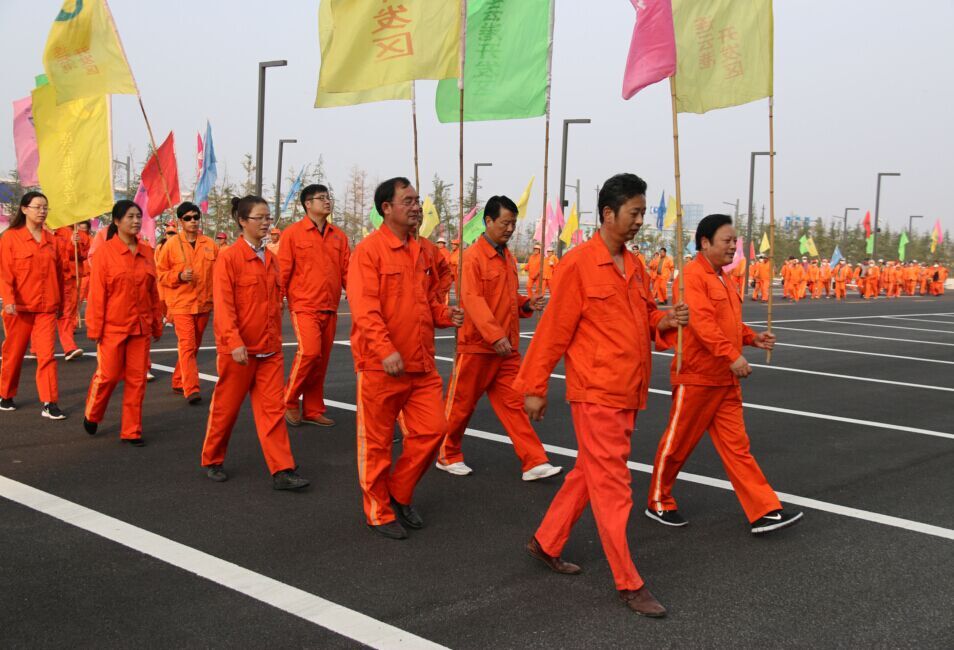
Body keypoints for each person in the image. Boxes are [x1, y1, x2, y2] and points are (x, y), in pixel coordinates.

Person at [514, 173, 688, 618]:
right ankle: (629, 582)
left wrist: (666, 320)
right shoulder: (578, 264)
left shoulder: (635, 265)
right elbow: (553, 330)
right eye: (634, 212)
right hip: (596, 392)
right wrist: (533, 387)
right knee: (613, 486)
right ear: (608, 214)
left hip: (627, 389)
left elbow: (647, 317)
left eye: (643, 212)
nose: (640, 221)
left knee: (588, 472)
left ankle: (547, 540)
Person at [646, 214, 803, 536]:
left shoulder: (724, 278)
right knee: (678, 444)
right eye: (727, 241)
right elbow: (702, 324)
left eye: (735, 241)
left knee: (737, 447)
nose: (733, 246)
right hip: (697, 376)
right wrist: (732, 356)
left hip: (724, 380)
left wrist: (752, 338)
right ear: (705, 243)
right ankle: (658, 500)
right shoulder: (692, 277)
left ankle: (764, 510)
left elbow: (728, 323)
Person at [346, 177, 464, 540]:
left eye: (417, 201)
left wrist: (446, 315)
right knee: (376, 444)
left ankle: (398, 491)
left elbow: (426, 303)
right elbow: (365, 309)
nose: (416, 207)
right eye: (408, 201)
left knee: (434, 431)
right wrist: (385, 350)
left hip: (421, 363)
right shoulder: (369, 251)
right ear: (386, 208)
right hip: (381, 365)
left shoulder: (423, 250)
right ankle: (378, 512)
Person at [438, 195, 561, 481]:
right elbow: (473, 300)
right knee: (461, 405)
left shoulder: (507, 257)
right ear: (488, 221)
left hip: (505, 349)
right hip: (478, 346)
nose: (510, 229)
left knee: (515, 404)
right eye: (505, 223)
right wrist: (494, 336)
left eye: (513, 224)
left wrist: (526, 304)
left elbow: (506, 297)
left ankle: (534, 461)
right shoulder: (472, 258)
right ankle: (447, 453)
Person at [200, 196, 309, 490]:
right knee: (226, 409)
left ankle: (282, 469)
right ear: (242, 221)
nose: (265, 223)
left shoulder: (271, 259)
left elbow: (275, 302)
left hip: (269, 350)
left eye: (268, 217)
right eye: (259, 218)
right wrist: (234, 341)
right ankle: (212, 458)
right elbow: (224, 305)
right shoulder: (229, 258)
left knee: (273, 412)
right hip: (239, 351)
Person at [83, 200, 163, 444]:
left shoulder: (147, 252)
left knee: (137, 380)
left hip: (141, 327)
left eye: (139, 216)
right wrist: (95, 328)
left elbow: (153, 292)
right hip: (113, 327)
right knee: (107, 376)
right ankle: (93, 413)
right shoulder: (105, 253)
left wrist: (156, 323)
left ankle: (132, 430)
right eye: (130, 216)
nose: (136, 221)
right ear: (117, 221)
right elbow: (97, 294)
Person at [280, 184, 350, 428]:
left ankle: (313, 409)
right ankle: (288, 400)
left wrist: (362, 297)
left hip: (330, 306)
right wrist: (276, 300)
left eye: (328, 197)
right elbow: (283, 270)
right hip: (304, 305)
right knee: (309, 353)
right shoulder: (292, 234)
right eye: (321, 198)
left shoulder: (339, 236)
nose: (327, 201)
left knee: (321, 361)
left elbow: (348, 273)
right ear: (307, 204)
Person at [0, 192, 66, 419]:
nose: (42, 211)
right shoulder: (10, 238)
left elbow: (59, 276)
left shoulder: (53, 241)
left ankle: (50, 402)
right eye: (37, 207)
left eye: (45, 207)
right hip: (19, 308)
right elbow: (5, 273)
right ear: (24, 209)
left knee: (47, 355)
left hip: (46, 308)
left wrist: (62, 304)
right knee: (13, 354)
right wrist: (9, 300)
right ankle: (5, 394)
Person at [155, 202, 218, 404]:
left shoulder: (210, 244)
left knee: (194, 345)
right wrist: (179, 276)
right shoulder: (171, 245)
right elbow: (160, 274)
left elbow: (220, 274)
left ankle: (178, 379)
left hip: (204, 303)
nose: (193, 221)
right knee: (188, 344)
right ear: (180, 221)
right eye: (188, 218)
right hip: (181, 304)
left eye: (196, 217)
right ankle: (191, 388)